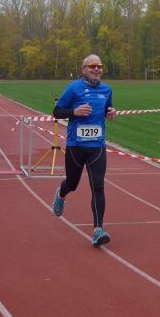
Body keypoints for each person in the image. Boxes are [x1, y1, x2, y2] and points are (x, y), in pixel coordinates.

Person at [51, 54, 117, 247]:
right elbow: (56, 112)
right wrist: (74, 112)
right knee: (72, 184)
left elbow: (107, 109)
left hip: (97, 146)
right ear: (83, 69)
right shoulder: (74, 88)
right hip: (76, 145)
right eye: (92, 66)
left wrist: (111, 113)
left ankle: (98, 230)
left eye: (99, 66)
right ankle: (61, 193)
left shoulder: (107, 90)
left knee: (98, 186)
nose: (96, 69)